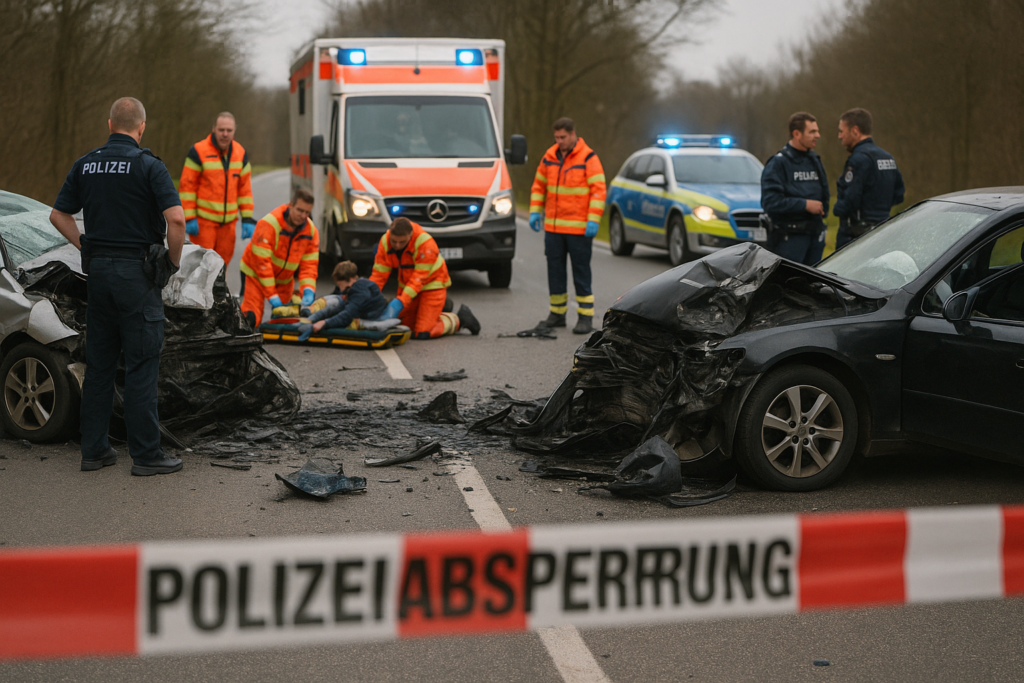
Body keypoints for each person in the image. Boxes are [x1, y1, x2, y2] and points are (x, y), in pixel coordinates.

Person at [49, 97, 185, 476]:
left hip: (100, 276)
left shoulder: (86, 163)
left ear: (110, 125)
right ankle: (146, 456)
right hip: (136, 276)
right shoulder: (149, 166)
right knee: (141, 364)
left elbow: (57, 214)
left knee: (100, 367)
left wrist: (84, 245)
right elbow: (176, 220)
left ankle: (94, 451)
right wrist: (172, 264)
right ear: (141, 128)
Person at [529, 117, 606, 334]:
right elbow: (538, 186)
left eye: (563, 137)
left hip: (579, 229)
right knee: (555, 271)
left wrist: (593, 219)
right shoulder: (549, 156)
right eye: (556, 137)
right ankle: (557, 314)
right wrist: (535, 212)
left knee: (581, 272)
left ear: (573, 134)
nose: (559, 141)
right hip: (553, 229)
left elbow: (598, 190)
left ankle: (585, 317)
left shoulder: (588, 157)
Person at [370, 217, 480, 339]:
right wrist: (367, 295)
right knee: (402, 325)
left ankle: (458, 319)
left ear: (410, 235)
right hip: (409, 288)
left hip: (432, 287)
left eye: (402, 242)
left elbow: (419, 279)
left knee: (422, 333)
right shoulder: (385, 241)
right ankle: (437, 309)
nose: (397, 245)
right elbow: (379, 275)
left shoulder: (425, 244)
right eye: (394, 241)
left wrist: (401, 301)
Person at [179, 112, 255, 266]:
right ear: (213, 129)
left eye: (229, 130)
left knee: (222, 266)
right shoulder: (198, 151)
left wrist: (247, 217)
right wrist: (189, 217)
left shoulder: (241, 154)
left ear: (234, 131)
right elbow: (187, 186)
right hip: (203, 224)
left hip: (228, 226)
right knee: (202, 268)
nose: (225, 134)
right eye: (221, 130)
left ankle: (218, 291)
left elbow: (244, 189)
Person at [238, 189, 320, 328]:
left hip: (284, 279)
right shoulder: (269, 224)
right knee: (252, 318)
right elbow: (261, 264)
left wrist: (308, 289)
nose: (303, 216)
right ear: (291, 205)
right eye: (300, 210)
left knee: (285, 319)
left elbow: (309, 265)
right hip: (256, 275)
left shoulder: (311, 232)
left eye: (307, 212)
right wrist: (271, 296)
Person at [761, 112, 830, 265]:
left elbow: (824, 195)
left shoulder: (814, 160)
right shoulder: (778, 163)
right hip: (789, 239)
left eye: (817, 131)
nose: (817, 135)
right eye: (812, 132)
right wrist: (805, 205)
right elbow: (770, 203)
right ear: (797, 134)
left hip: (814, 237)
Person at [833, 108, 905, 249]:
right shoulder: (887, 157)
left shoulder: (859, 159)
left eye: (841, 131)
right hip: (883, 232)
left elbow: (850, 200)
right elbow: (899, 194)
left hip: (856, 237)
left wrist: (836, 209)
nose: (839, 136)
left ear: (855, 130)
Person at [296, 261, 389, 341]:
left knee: (336, 303)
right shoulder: (352, 285)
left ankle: (309, 317)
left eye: (341, 286)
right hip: (364, 312)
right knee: (334, 300)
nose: (341, 290)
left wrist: (324, 323)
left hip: (368, 316)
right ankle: (310, 314)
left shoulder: (360, 291)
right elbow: (333, 295)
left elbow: (346, 316)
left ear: (351, 279)